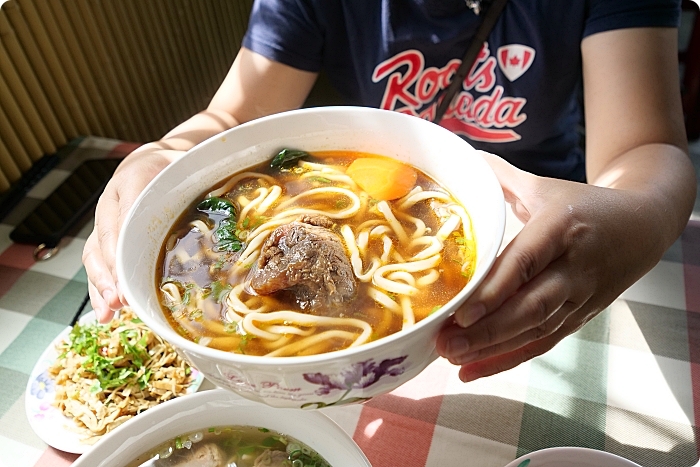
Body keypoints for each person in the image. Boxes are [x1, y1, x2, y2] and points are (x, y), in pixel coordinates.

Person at [83, 0, 697, 383]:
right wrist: (163, 155)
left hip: (551, 260)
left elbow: (647, 152)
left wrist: (639, 216)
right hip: (344, 356)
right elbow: (228, 125)